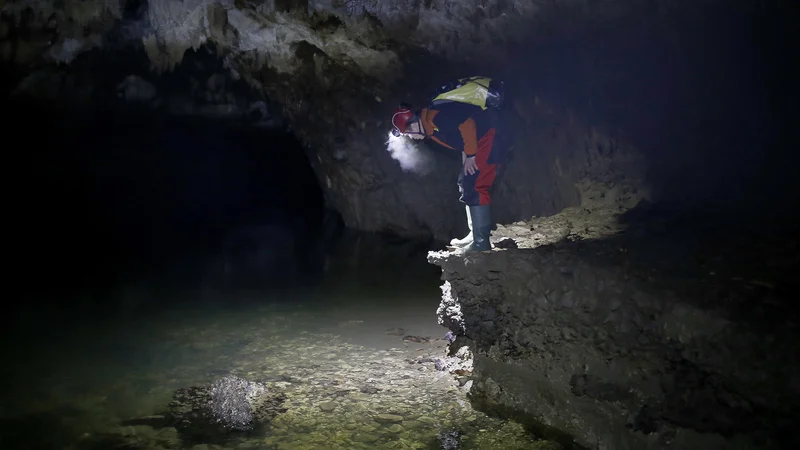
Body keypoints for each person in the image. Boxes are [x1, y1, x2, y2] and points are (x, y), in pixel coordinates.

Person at [391, 77, 509, 253]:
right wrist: (466, 159)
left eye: (408, 132)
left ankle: (481, 242)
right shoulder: (432, 127)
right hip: (482, 141)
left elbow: (467, 124)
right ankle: (475, 233)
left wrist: (471, 155)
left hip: (489, 138)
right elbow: (461, 138)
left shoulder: (434, 117)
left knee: (476, 186)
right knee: (466, 182)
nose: (410, 136)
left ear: (414, 122)